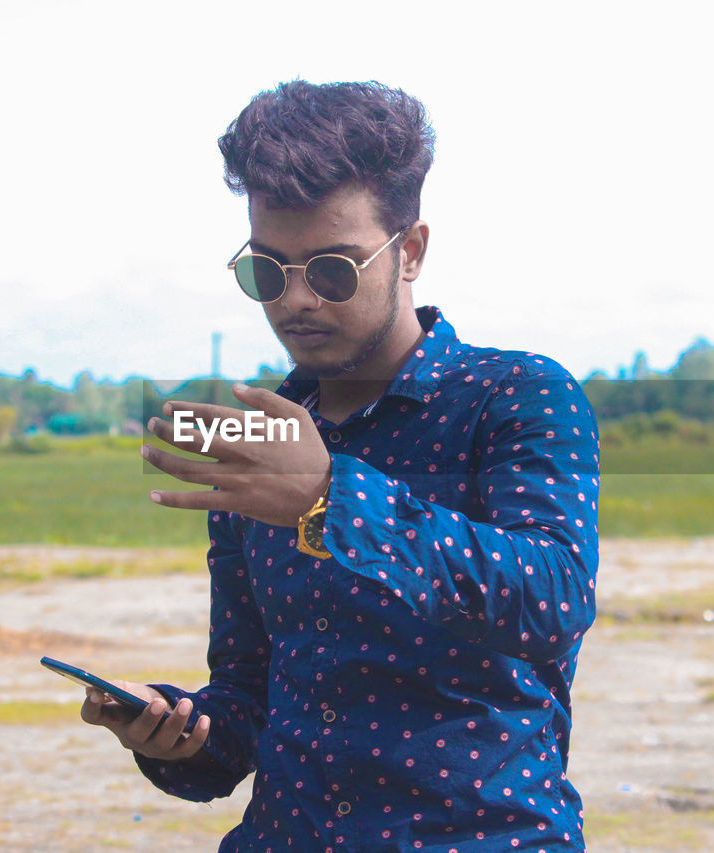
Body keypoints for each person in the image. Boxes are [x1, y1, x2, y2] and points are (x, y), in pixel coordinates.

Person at [81, 80, 600, 852]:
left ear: (411, 250)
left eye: (333, 270)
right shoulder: (261, 444)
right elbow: (248, 703)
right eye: (267, 270)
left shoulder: (516, 395)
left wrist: (331, 499)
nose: (297, 301)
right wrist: (175, 737)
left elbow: (552, 598)